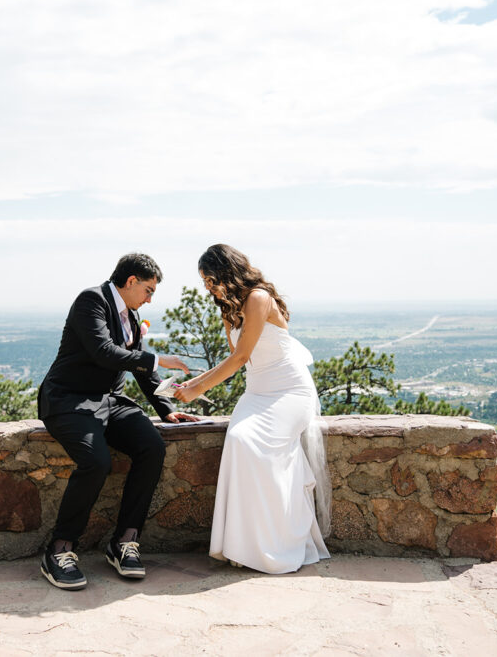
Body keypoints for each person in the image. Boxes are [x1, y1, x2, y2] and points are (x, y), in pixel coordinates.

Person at [37, 253, 198, 590]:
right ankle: (59, 549)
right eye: (149, 290)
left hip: (109, 401)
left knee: (152, 446)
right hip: (70, 399)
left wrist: (164, 408)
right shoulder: (91, 301)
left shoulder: (133, 316)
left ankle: (124, 541)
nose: (150, 299)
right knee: (96, 462)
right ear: (130, 282)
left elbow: (138, 369)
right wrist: (157, 358)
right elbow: (103, 351)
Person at [174, 244, 331, 574]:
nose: (207, 287)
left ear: (227, 272)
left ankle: (277, 543)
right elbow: (233, 361)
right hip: (257, 392)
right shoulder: (229, 308)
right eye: (204, 282)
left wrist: (198, 388)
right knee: (238, 441)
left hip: (289, 391)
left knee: (251, 444)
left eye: (210, 279)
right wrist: (188, 386)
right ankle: (244, 546)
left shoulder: (258, 298)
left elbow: (241, 357)